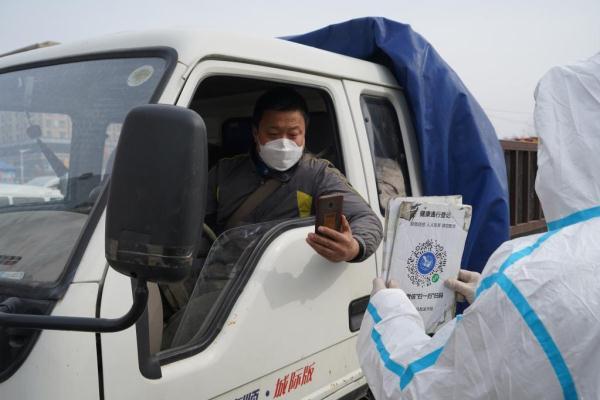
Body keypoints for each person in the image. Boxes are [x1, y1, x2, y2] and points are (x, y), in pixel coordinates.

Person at [357, 55, 600, 399]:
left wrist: (389, 314)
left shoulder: (539, 276)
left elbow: (422, 389)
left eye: (545, 144)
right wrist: (494, 295)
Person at [205, 86, 383, 263]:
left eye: (293, 134)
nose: (283, 143)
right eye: (273, 134)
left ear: (305, 133)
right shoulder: (224, 171)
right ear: (255, 132)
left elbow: (367, 219)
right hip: (225, 276)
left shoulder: (317, 174)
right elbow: (191, 219)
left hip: (286, 276)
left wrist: (354, 247)